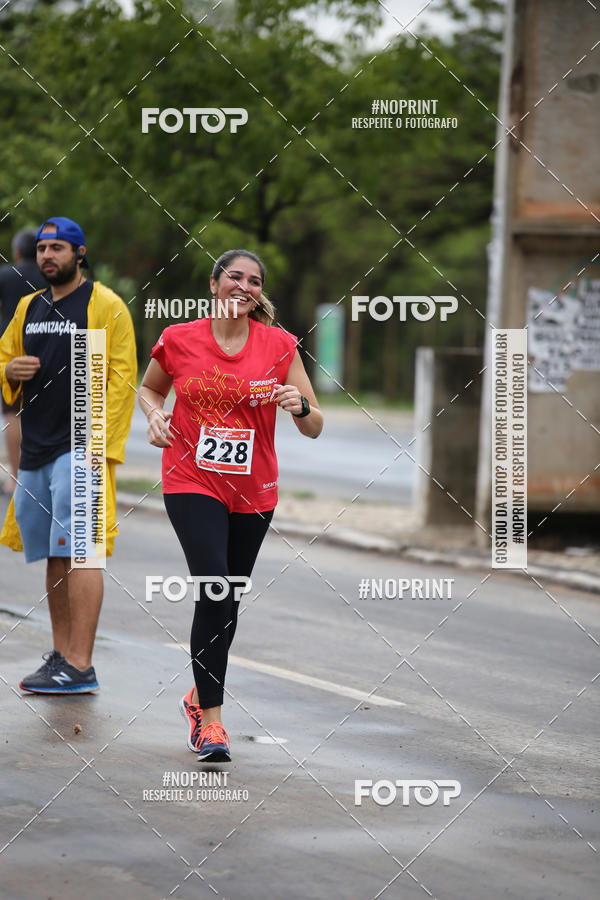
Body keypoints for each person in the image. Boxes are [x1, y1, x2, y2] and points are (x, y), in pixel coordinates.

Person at [139, 249, 323, 762]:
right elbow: (151, 390)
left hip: (253, 489)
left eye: (255, 280)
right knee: (215, 585)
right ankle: (211, 724)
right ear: (215, 284)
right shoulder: (178, 338)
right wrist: (154, 417)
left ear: (260, 293)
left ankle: (198, 694)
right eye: (235, 277)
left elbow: (314, 426)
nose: (245, 286)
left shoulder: (280, 344)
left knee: (228, 598)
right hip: (190, 479)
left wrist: (301, 406)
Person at [0, 217, 137, 693]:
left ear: (79, 253)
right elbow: (5, 361)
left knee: (83, 552)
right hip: (35, 451)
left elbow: (121, 381)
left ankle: (81, 664)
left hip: (81, 444)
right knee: (55, 557)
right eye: (41, 249)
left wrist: (101, 449)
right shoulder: (27, 307)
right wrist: (11, 370)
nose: (47, 256)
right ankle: (61, 657)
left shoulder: (104, 306)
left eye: (57, 248)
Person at [0, 228, 48, 492]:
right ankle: (43, 477)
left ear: (17, 252)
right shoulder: (50, 275)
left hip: (13, 350)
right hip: (46, 345)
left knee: (13, 413)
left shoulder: (5, 275)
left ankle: (18, 477)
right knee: (42, 410)